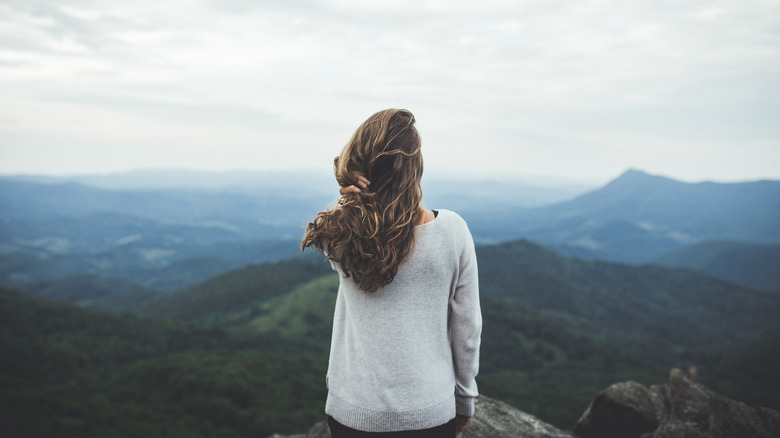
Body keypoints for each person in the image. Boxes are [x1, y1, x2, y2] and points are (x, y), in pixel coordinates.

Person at [302, 109, 482, 437]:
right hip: (430, 412)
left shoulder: (341, 233)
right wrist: (465, 398)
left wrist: (345, 186)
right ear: (414, 167)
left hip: (353, 412)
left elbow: (335, 221)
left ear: (358, 166)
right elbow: (466, 328)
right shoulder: (452, 231)